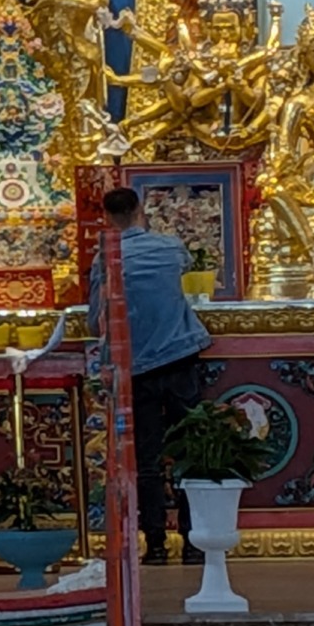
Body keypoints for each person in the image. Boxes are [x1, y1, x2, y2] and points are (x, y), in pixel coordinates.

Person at [89, 186, 212, 565]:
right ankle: (195, 542)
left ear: (107, 217)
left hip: (137, 366)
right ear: (140, 209)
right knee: (190, 452)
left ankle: (155, 544)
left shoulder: (104, 259)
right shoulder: (170, 247)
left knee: (146, 458)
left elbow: (95, 320)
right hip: (179, 356)